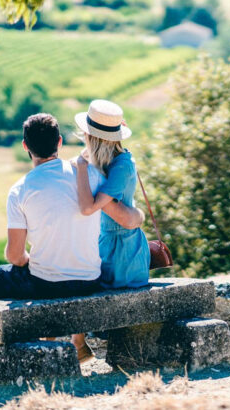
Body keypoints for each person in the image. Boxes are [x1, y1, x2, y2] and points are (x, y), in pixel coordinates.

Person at [0, 113, 144, 357]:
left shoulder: (20, 189)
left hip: (46, 284)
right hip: (90, 280)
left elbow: (14, 256)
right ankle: (77, 346)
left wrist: (32, 261)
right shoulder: (92, 176)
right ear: (60, 142)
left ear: (25, 147)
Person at [70, 99, 150, 359]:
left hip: (123, 251)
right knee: (70, 279)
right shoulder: (104, 162)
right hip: (107, 243)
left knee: (76, 285)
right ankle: (79, 347)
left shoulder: (121, 165)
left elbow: (89, 207)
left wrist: (82, 169)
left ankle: (79, 348)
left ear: (91, 136)